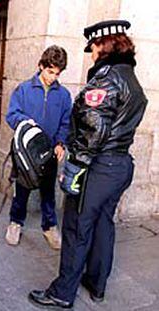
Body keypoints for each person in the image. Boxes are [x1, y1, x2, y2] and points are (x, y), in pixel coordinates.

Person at [28, 20, 148, 309]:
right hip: (120, 165)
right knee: (103, 224)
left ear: (105, 46)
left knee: (76, 227)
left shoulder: (106, 80)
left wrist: (74, 167)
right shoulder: (129, 76)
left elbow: (94, 129)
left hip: (98, 166)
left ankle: (62, 293)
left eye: (94, 48)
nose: (92, 54)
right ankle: (97, 283)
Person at [5, 45, 72, 250]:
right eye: (49, 71)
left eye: (57, 73)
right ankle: (16, 223)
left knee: (48, 192)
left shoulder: (64, 95)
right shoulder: (24, 89)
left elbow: (66, 122)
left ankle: (50, 226)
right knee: (22, 190)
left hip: (49, 151)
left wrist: (61, 143)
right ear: (41, 66)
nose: (53, 77)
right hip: (26, 151)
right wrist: (26, 122)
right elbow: (12, 115)